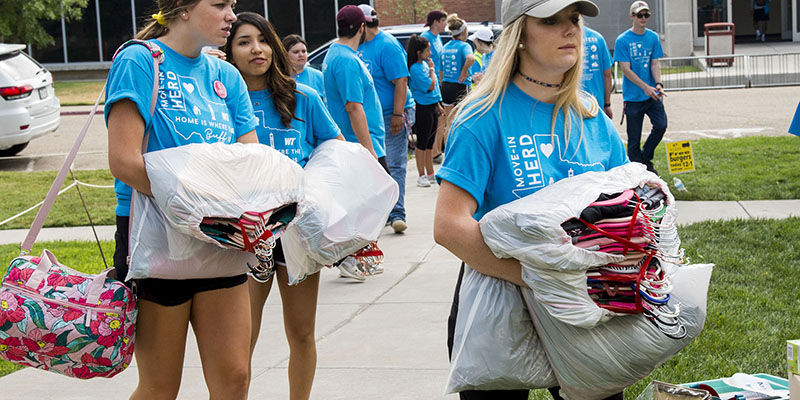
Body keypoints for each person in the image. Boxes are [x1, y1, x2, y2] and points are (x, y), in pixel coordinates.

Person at [432, 0, 629, 399]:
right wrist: (540, 277)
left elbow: (627, 208)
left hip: (584, 302)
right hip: (499, 296)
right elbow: (449, 225)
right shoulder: (483, 116)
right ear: (519, 35)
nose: (571, 30)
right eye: (552, 21)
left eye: (573, 19)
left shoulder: (593, 119)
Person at [105, 1, 258, 398]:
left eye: (233, 6)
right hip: (155, 238)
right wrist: (196, 205)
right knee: (160, 388)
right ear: (183, 8)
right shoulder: (140, 61)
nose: (231, 15)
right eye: (220, 4)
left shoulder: (226, 74)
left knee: (235, 379)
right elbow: (123, 161)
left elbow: (249, 159)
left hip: (221, 235)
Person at [223, 12, 345, 399]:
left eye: (262, 39)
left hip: (298, 234)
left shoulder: (303, 97)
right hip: (246, 237)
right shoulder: (222, 101)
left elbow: (334, 151)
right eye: (243, 41)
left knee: (302, 332)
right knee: (241, 339)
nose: (255, 49)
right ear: (229, 51)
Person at [357, 4, 416, 234]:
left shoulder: (387, 46)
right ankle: (381, 211)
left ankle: (397, 213)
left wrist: (396, 115)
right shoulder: (359, 46)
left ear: (363, 26)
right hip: (370, 116)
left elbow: (401, 82)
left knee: (394, 163)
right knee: (374, 166)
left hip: (391, 113)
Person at [322, 5, 386, 168]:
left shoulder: (335, 52)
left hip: (354, 145)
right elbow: (353, 107)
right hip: (360, 147)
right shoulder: (346, 60)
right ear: (362, 27)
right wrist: (369, 149)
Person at [614, 0, 666, 175]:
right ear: (632, 16)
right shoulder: (623, 40)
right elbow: (625, 70)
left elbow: (655, 63)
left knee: (661, 125)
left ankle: (645, 159)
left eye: (646, 15)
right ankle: (636, 171)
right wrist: (645, 87)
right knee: (633, 139)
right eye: (639, 15)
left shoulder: (652, 37)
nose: (643, 18)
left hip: (652, 95)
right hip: (633, 98)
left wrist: (658, 84)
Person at [406, 34, 444, 188]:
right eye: (427, 51)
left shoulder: (424, 65)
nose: (430, 53)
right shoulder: (416, 68)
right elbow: (429, 85)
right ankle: (421, 174)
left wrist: (438, 105)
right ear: (418, 52)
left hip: (431, 106)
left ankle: (430, 172)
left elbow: (435, 91)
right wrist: (432, 71)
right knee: (421, 143)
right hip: (422, 107)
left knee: (430, 142)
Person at [436, 13, 475, 157]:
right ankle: (460, 152)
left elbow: (440, 70)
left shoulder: (445, 47)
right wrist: (464, 72)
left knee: (449, 121)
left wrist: (442, 84)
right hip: (460, 86)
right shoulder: (464, 46)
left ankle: (448, 152)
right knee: (462, 120)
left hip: (446, 86)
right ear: (463, 32)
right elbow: (470, 58)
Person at [422, 9, 448, 164]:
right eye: (443, 21)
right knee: (436, 118)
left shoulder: (438, 38)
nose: (445, 24)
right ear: (436, 22)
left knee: (442, 117)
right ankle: (433, 153)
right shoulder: (426, 37)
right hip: (430, 83)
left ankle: (437, 150)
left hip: (439, 82)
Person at [582, 25, 613, 118]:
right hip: (596, 105)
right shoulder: (598, 38)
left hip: (569, 105)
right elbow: (607, 75)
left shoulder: (560, 37)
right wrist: (607, 104)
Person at [283, 34, 326, 101]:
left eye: (304, 51)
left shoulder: (319, 76)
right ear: (285, 54)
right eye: (296, 52)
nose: (301, 55)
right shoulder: (279, 77)